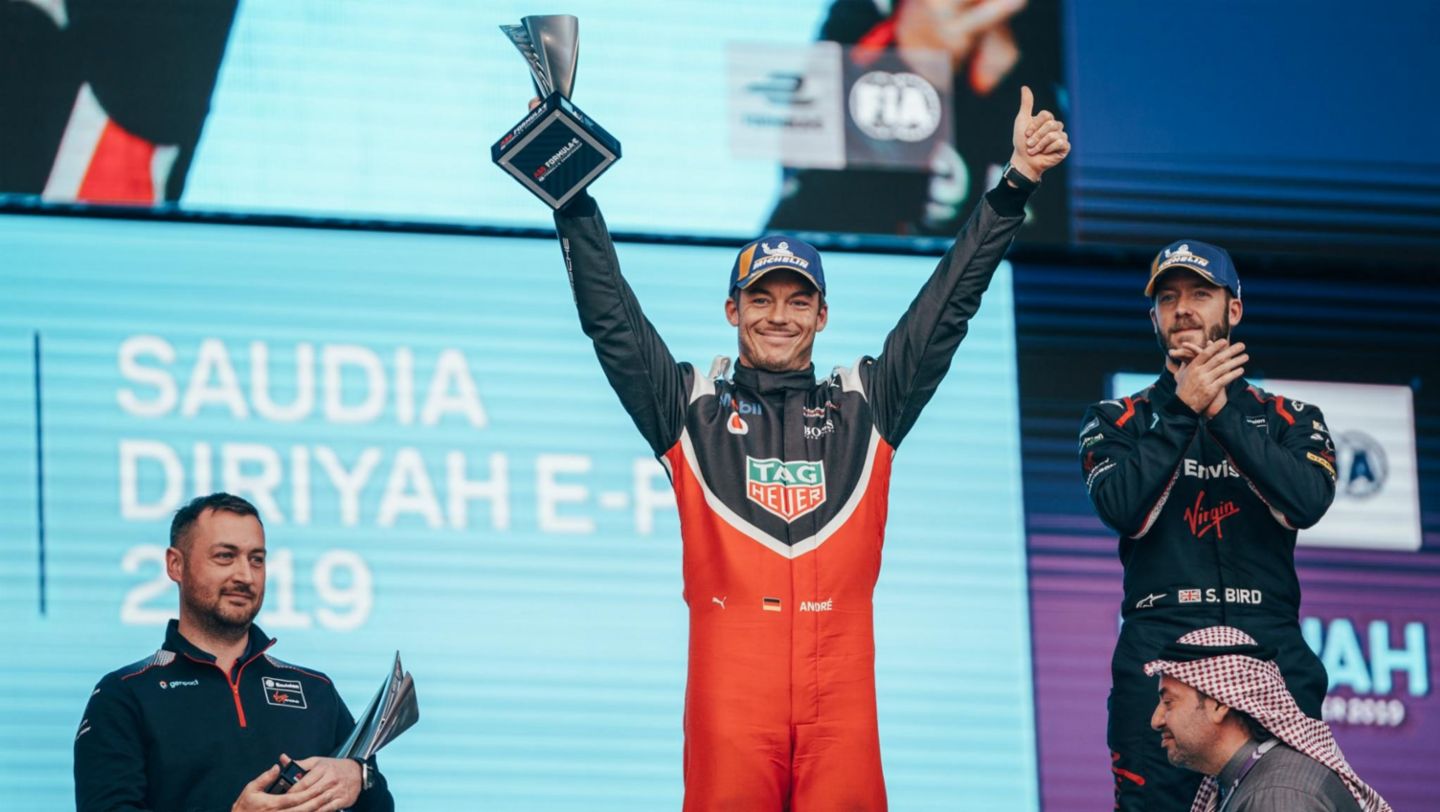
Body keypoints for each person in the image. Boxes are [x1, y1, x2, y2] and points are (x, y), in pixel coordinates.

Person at [550, 87, 1067, 810]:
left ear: (822, 315)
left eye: (797, 300)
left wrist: (1012, 187)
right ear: (733, 310)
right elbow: (610, 317)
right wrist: (570, 200)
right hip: (732, 708)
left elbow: (948, 305)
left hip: (841, 716)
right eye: (761, 299)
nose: (779, 317)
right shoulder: (688, 409)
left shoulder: (869, 404)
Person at [1078, 240, 1340, 810]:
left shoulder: (1291, 418)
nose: (1184, 309)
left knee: (1291, 800)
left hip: (1269, 645)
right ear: (1154, 317)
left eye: (1201, 293)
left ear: (1234, 309)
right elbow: (1121, 508)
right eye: (1168, 298)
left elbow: (1308, 500)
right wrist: (1180, 408)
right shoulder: (1116, 419)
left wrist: (1218, 409)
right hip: (1159, 644)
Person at [74, 493, 394, 812]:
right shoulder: (124, 693)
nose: (245, 576)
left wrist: (360, 777)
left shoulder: (316, 690)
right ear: (176, 564)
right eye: (225, 557)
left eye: (256, 559)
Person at [766, 0, 1068, 241]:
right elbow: (795, 243)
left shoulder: (1070, 33)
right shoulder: (860, 22)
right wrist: (911, 70)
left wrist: (1006, 85)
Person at [1146, 625, 1390, 812]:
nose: (1156, 720)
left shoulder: (1278, 796)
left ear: (1219, 705)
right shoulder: (1255, 780)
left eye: (1169, 702)